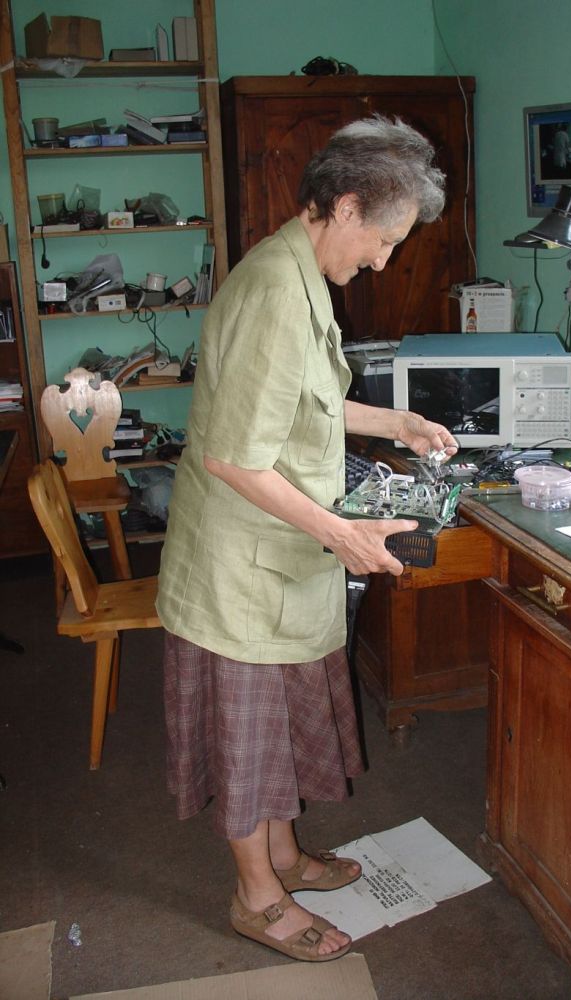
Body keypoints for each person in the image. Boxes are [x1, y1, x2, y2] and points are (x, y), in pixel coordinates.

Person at [156, 114, 458, 964]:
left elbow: (307, 402)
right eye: (385, 241)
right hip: (240, 570)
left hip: (277, 557)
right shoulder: (274, 295)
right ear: (347, 206)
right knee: (250, 740)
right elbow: (233, 458)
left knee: (280, 727)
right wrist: (343, 533)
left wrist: (396, 421)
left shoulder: (299, 273)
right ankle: (256, 898)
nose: (384, 262)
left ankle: (285, 858)